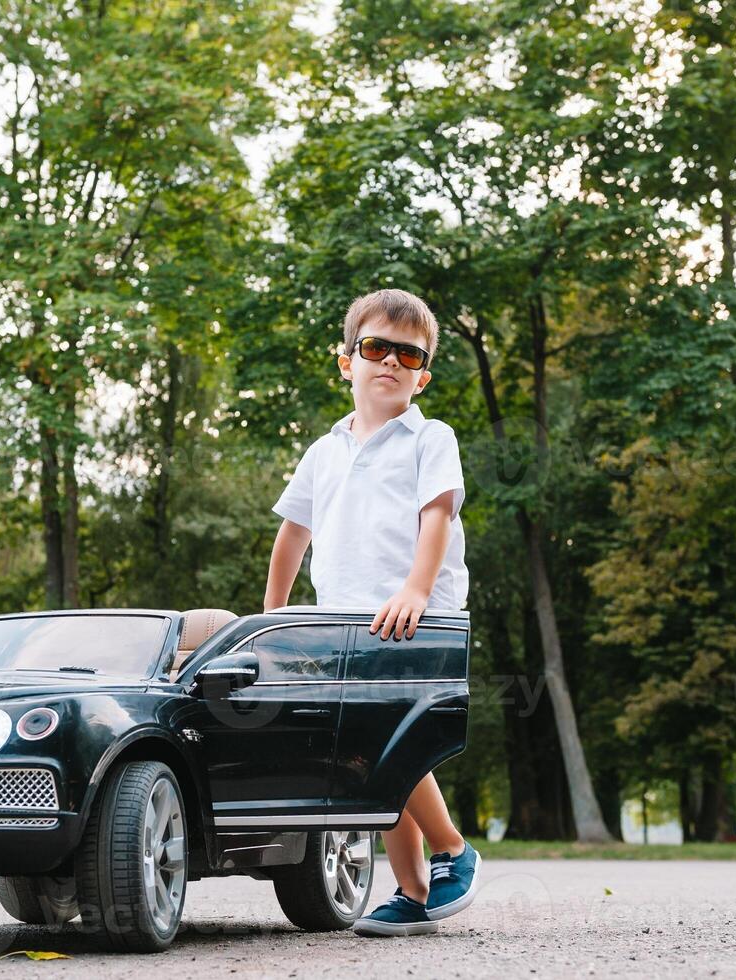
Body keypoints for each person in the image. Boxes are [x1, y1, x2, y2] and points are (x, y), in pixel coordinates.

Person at [262, 287, 481, 938]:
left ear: (422, 376)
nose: (389, 361)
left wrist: (416, 587)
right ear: (346, 361)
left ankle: (451, 850)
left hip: (413, 612)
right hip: (341, 618)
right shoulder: (323, 450)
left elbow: (435, 514)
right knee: (372, 754)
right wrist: (272, 618)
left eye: (406, 355)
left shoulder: (429, 437)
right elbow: (292, 535)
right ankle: (413, 895)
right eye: (375, 346)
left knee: (382, 738)